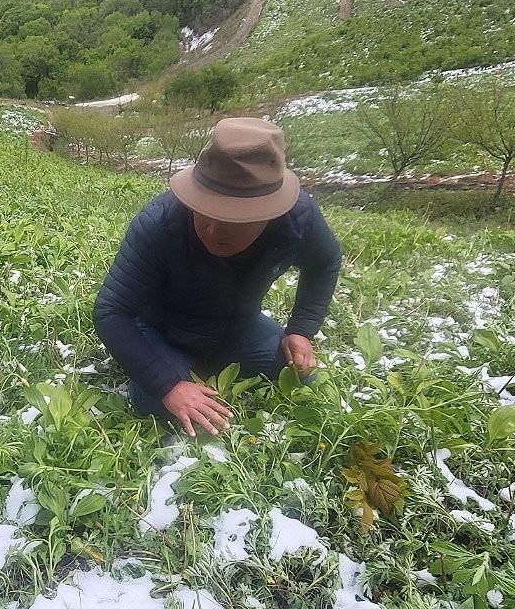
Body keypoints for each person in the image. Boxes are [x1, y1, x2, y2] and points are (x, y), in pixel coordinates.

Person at [93, 116, 342, 436]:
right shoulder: (160, 222)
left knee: (299, 376)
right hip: (164, 330)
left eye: (231, 220)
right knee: (156, 403)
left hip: (239, 327)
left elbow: (325, 262)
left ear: (270, 212)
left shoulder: (298, 219)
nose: (211, 230)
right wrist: (169, 385)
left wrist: (302, 328)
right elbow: (111, 311)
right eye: (203, 210)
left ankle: (207, 369)